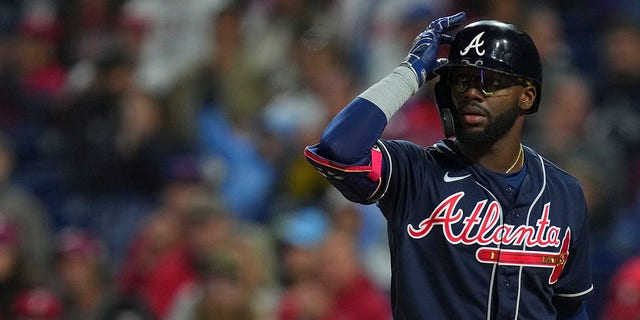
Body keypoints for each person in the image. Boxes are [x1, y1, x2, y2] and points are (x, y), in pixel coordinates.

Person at [304, 12, 593, 319]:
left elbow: (570, 307)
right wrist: (409, 73)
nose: (471, 92)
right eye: (462, 80)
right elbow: (339, 150)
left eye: (490, 82)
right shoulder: (414, 171)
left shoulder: (564, 192)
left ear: (527, 96)